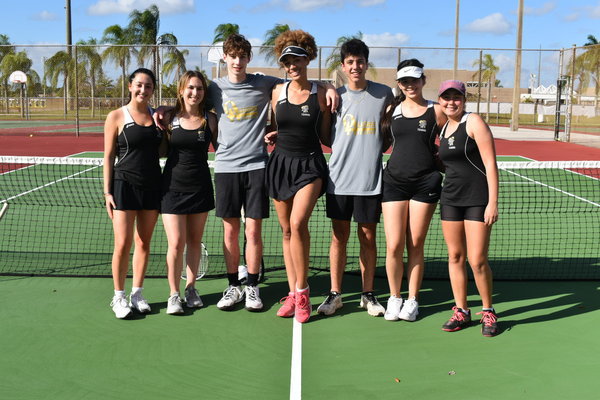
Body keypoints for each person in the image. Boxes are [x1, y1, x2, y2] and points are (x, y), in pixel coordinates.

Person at [315, 39, 393, 317]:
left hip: (370, 181)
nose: (356, 66)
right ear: (343, 66)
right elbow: (326, 137)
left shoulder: (385, 94)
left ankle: (368, 294)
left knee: (368, 238)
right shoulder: (335, 95)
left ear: (366, 63)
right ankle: (335, 294)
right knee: (339, 237)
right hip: (339, 180)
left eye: (360, 61)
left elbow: (388, 134)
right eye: (350, 62)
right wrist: (326, 94)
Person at [265, 30, 331, 323]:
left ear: (308, 60)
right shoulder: (277, 92)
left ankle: (303, 293)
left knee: (297, 222)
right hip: (280, 163)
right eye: (287, 61)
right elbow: (280, 123)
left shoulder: (322, 93)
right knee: (287, 231)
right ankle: (293, 292)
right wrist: (277, 133)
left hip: (310, 165)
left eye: (297, 60)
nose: (292, 65)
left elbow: (326, 134)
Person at [380, 59, 446, 322]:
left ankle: (412, 300)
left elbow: (453, 138)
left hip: (425, 183)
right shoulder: (391, 110)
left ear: (423, 80)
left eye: (415, 80)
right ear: (399, 84)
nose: (410, 85)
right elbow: (381, 142)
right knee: (394, 244)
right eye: (405, 81)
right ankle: (394, 297)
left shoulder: (436, 110)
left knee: (415, 244)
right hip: (394, 181)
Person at [436, 80, 499, 337]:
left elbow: (490, 165)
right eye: (446, 97)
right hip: (450, 199)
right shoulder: (443, 128)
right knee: (455, 257)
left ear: (464, 99)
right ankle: (461, 310)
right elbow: (449, 165)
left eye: (456, 97)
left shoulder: (473, 122)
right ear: (440, 101)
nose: (451, 102)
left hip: (477, 200)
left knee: (477, 260)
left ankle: (488, 311)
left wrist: (492, 202)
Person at [103, 68, 163, 319]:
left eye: (148, 86)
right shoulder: (116, 116)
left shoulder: (158, 116)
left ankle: (137, 293)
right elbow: (108, 157)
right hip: (124, 185)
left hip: (152, 186)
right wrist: (107, 192)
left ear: (152, 90)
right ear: (130, 86)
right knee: (123, 244)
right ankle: (119, 296)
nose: (143, 90)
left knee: (143, 243)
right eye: (139, 85)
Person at [160, 71, 218, 315]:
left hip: (200, 187)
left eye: (200, 89)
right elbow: (161, 151)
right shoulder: (169, 118)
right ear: (181, 90)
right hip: (172, 188)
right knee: (176, 243)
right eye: (191, 88)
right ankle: (174, 294)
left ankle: (191, 288)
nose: (195, 93)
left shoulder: (210, 119)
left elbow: (224, 149)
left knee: (194, 241)